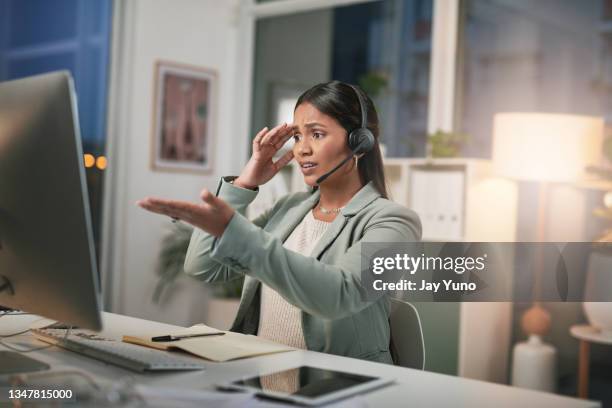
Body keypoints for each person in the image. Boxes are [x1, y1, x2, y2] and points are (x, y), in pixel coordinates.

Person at [138, 80, 421, 364]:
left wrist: (235, 232)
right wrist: (244, 183)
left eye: (317, 134)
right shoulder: (288, 208)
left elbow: (340, 294)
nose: (301, 150)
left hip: (335, 391)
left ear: (360, 142)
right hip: (258, 384)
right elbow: (201, 267)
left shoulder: (394, 222)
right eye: (297, 137)